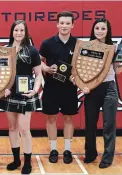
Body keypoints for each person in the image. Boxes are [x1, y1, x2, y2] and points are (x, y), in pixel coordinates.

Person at [73, 18, 122, 169]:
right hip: (92, 90)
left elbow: (117, 71)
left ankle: (107, 157)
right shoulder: (86, 47)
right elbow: (80, 69)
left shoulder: (113, 48)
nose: (100, 31)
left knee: (109, 125)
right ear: (93, 30)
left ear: (108, 31)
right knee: (90, 124)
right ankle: (90, 153)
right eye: (97, 28)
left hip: (109, 88)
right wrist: (83, 85)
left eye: (103, 28)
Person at [0, 20, 42, 175]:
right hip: (9, 95)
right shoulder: (5, 50)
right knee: (12, 128)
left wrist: (35, 91)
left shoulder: (32, 51)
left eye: (22, 30)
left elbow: (38, 75)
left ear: (26, 32)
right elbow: (0, 74)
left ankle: (27, 162)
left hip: (25, 94)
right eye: (16, 30)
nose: (19, 33)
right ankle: (16, 160)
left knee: (24, 128)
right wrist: (3, 89)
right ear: (12, 32)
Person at [39, 11, 78, 164]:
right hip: (51, 87)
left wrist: (77, 77)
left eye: (67, 23)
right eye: (62, 23)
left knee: (68, 118)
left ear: (72, 25)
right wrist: (47, 69)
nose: (64, 26)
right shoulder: (47, 43)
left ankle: (67, 150)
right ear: (57, 24)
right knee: (51, 118)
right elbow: (39, 62)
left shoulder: (78, 44)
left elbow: (81, 65)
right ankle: (53, 149)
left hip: (69, 88)